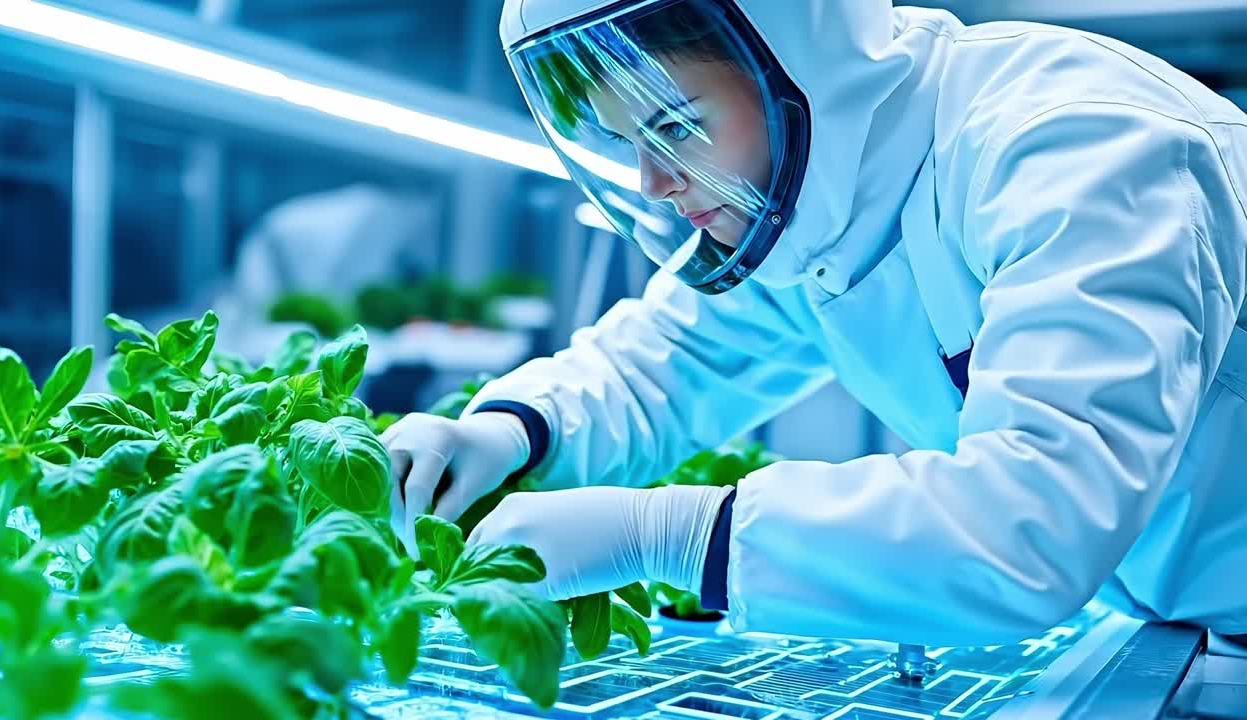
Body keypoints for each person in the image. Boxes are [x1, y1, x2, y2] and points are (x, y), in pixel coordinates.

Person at [382, 0, 1247, 648]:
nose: (652, 180)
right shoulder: (820, 194)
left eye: (677, 126)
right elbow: (673, 360)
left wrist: (671, 535)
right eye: (625, 140)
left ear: (796, 66)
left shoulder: (1077, 149)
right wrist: (506, 431)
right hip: (1166, 622)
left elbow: (1029, 525)